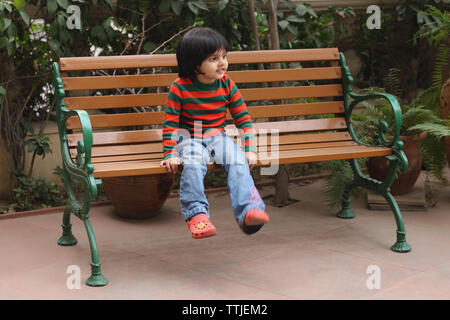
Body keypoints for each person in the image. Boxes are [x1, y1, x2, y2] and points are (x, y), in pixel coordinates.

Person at [160, 27, 269, 239]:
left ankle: (249, 211)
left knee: (238, 160)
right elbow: (170, 124)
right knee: (193, 162)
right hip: (188, 139)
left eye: (224, 56)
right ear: (194, 64)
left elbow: (243, 119)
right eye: (213, 58)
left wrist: (250, 149)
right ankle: (197, 215)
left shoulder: (227, 84)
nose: (222, 63)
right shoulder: (179, 88)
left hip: (217, 137)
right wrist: (170, 153)